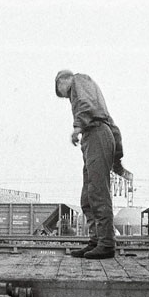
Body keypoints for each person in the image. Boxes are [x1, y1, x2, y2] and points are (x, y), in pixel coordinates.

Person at [55, 70, 131, 259]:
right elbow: (111, 125)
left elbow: (84, 104)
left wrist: (77, 128)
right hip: (95, 137)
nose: (67, 98)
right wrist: (117, 158)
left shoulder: (79, 80)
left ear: (63, 81)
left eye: (62, 92)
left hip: (96, 135)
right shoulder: (92, 97)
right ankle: (96, 241)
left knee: (97, 192)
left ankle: (106, 243)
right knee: (88, 197)